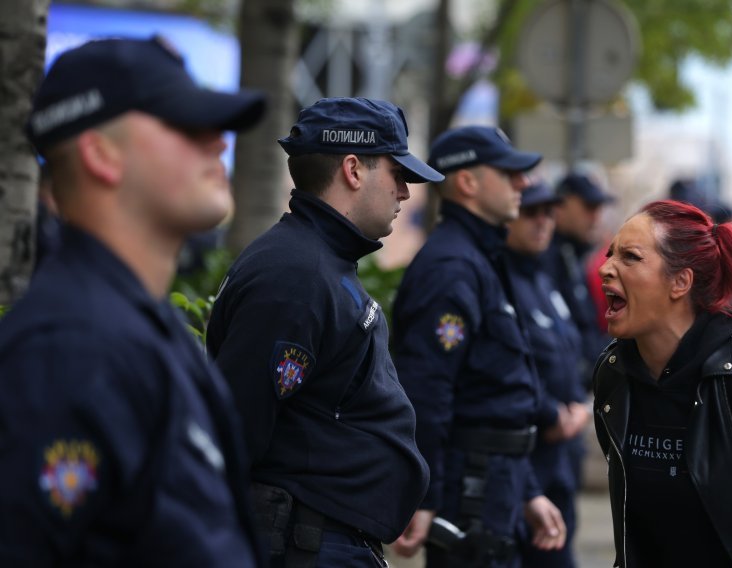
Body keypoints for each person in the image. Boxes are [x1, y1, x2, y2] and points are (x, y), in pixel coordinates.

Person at [0, 36, 266, 565]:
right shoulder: (69, 350)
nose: (219, 142)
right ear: (101, 154)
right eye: (186, 123)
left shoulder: (134, 325)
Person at [206, 97, 438, 567]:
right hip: (306, 544)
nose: (406, 194)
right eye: (398, 175)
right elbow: (236, 432)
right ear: (354, 170)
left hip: (323, 539)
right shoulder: (296, 277)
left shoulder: (318, 263)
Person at [391, 126, 566, 568]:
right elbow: (428, 390)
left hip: (496, 479)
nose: (523, 184)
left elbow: (491, 393)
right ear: (467, 183)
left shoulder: (478, 258)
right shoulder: (453, 266)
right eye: (509, 174)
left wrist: (526, 490)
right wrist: (426, 495)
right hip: (468, 487)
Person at [594, 199, 732, 567]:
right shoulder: (613, 374)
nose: (605, 268)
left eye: (630, 257)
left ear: (680, 282)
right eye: (610, 254)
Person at [505, 182, 592, 568]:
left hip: (561, 456)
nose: (542, 222)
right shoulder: (500, 282)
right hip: (525, 455)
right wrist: (551, 413)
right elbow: (504, 369)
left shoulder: (543, 279)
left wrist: (578, 406)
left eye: (548, 213)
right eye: (531, 213)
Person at [542, 172, 614, 388]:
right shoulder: (545, 258)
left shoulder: (572, 254)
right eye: (588, 207)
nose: (596, 217)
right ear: (560, 206)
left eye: (599, 209)